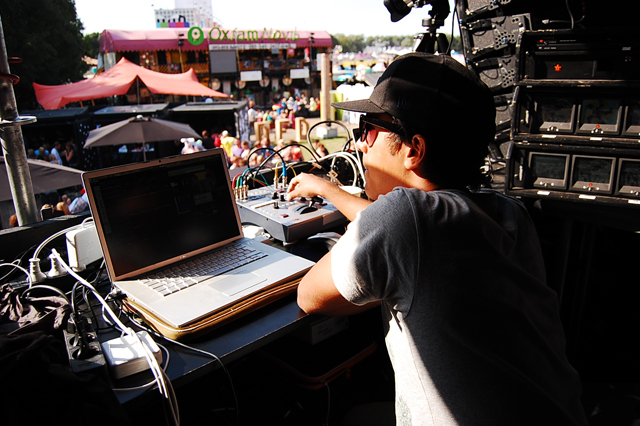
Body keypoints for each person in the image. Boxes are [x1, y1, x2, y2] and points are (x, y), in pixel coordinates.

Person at [286, 53, 587, 426]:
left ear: (414, 149)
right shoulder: (509, 214)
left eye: (369, 128)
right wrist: (330, 191)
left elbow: (309, 295)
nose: (361, 144)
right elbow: (406, 230)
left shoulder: (404, 220)